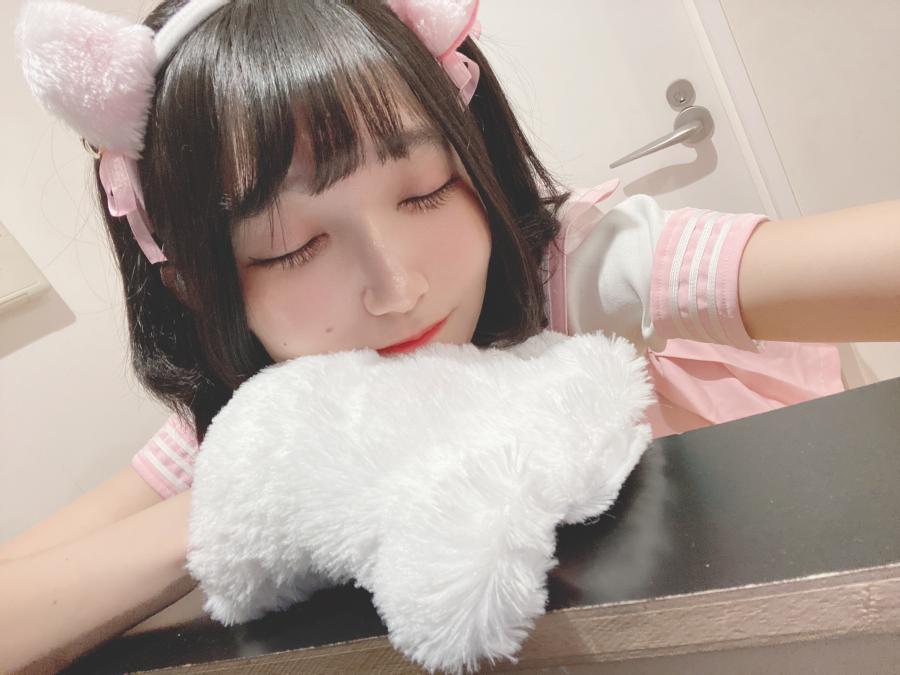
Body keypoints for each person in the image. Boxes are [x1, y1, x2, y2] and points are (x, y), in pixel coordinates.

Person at [3, 0, 898, 671]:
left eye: (426, 189)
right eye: (292, 245)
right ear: (196, 282)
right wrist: (251, 497)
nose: (399, 288)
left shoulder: (568, 273)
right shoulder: (253, 409)